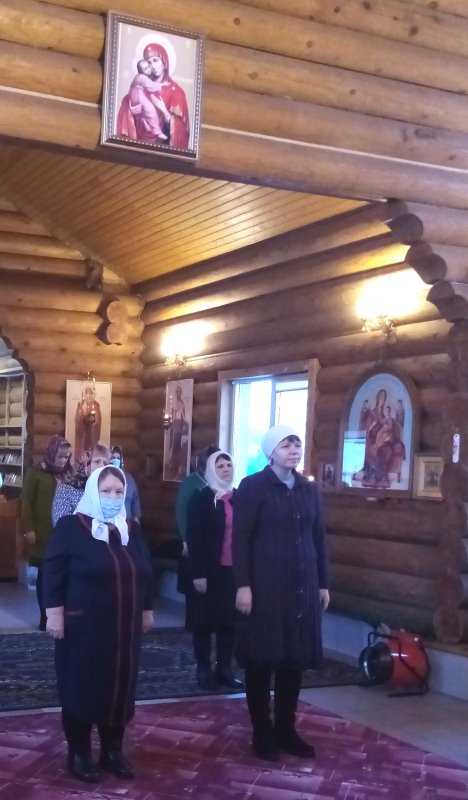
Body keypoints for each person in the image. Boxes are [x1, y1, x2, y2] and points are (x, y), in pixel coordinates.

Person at [43, 465, 154, 783]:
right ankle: (79, 752)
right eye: (106, 491)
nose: (113, 497)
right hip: (84, 627)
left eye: (119, 492)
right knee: (83, 686)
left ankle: (112, 750)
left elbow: (145, 570)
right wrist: (54, 614)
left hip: (124, 628)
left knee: (119, 686)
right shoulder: (72, 526)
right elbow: (53, 571)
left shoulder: (129, 528)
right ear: (93, 491)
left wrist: (146, 608)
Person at [233, 424, 330, 762]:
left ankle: (286, 729)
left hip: (302, 585)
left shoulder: (308, 488)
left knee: (293, 660)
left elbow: (318, 537)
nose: (293, 450)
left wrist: (323, 583)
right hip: (265, 586)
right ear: (271, 451)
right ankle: (262, 731)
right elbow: (240, 538)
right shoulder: (253, 486)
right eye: (286, 445)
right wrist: (243, 585)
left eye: (297, 445)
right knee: (262, 659)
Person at [187, 450, 243, 691]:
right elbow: (194, 538)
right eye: (220, 466)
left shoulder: (239, 498)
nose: (226, 469)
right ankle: (203, 669)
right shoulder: (202, 499)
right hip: (209, 570)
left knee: (228, 623)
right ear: (211, 470)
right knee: (204, 622)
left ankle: (224, 669)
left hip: (233, 570)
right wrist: (198, 573)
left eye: (229, 465)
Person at [21, 435, 72, 631]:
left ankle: (61, 614)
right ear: (51, 454)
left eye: (66, 457)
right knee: (45, 577)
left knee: (62, 576)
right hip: (43, 534)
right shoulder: (36, 472)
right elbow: (27, 503)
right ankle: (45, 617)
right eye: (60, 457)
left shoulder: (70, 473)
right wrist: (29, 529)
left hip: (64, 534)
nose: (63, 461)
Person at [175, 444, 220, 631]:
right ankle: (193, 626)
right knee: (193, 587)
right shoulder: (191, 482)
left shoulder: (220, 484)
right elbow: (181, 511)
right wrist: (186, 540)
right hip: (193, 541)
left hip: (213, 544)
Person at [117, 42, 190, 149]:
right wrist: (130, 111)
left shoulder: (176, 92)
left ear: (164, 62)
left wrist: (165, 112)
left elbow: (182, 132)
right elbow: (126, 104)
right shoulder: (142, 84)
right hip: (137, 149)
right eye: (149, 62)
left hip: (162, 152)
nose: (152, 66)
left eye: (155, 60)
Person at [52, 442, 111, 525]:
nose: (101, 466)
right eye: (97, 461)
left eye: (105, 463)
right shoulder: (66, 489)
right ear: (86, 463)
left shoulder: (107, 490)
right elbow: (61, 523)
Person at [125, 59, 168, 141]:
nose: (149, 69)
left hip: (134, 95)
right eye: (145, 69)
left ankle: (148, 125)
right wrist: (162, 84)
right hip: (137, 95)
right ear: (141, 71)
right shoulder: (142, 77)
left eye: (148, 66)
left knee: (144, 113)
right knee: (151, 110)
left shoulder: (139, 77)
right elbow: (151, 86)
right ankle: (158, 132)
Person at [111, 445, 141, 521]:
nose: (115, 460)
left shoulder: (129, 478)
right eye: (113, 458)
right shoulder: (104, 478)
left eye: (118, 458)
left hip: (128, 522)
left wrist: (136, 523)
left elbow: (135, 502)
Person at [74, 382, 102, 459]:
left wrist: (92, 421)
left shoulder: (96, 404)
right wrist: (81, 412)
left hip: (91, 434)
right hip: (83, 435)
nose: (88, 396)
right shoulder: (80, 404)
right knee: (82, 454)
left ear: (93, 394)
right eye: (86, 393)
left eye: (90, 393)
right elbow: (77, 419)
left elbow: (98, 421)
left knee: (90, 453)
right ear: (84, 394)